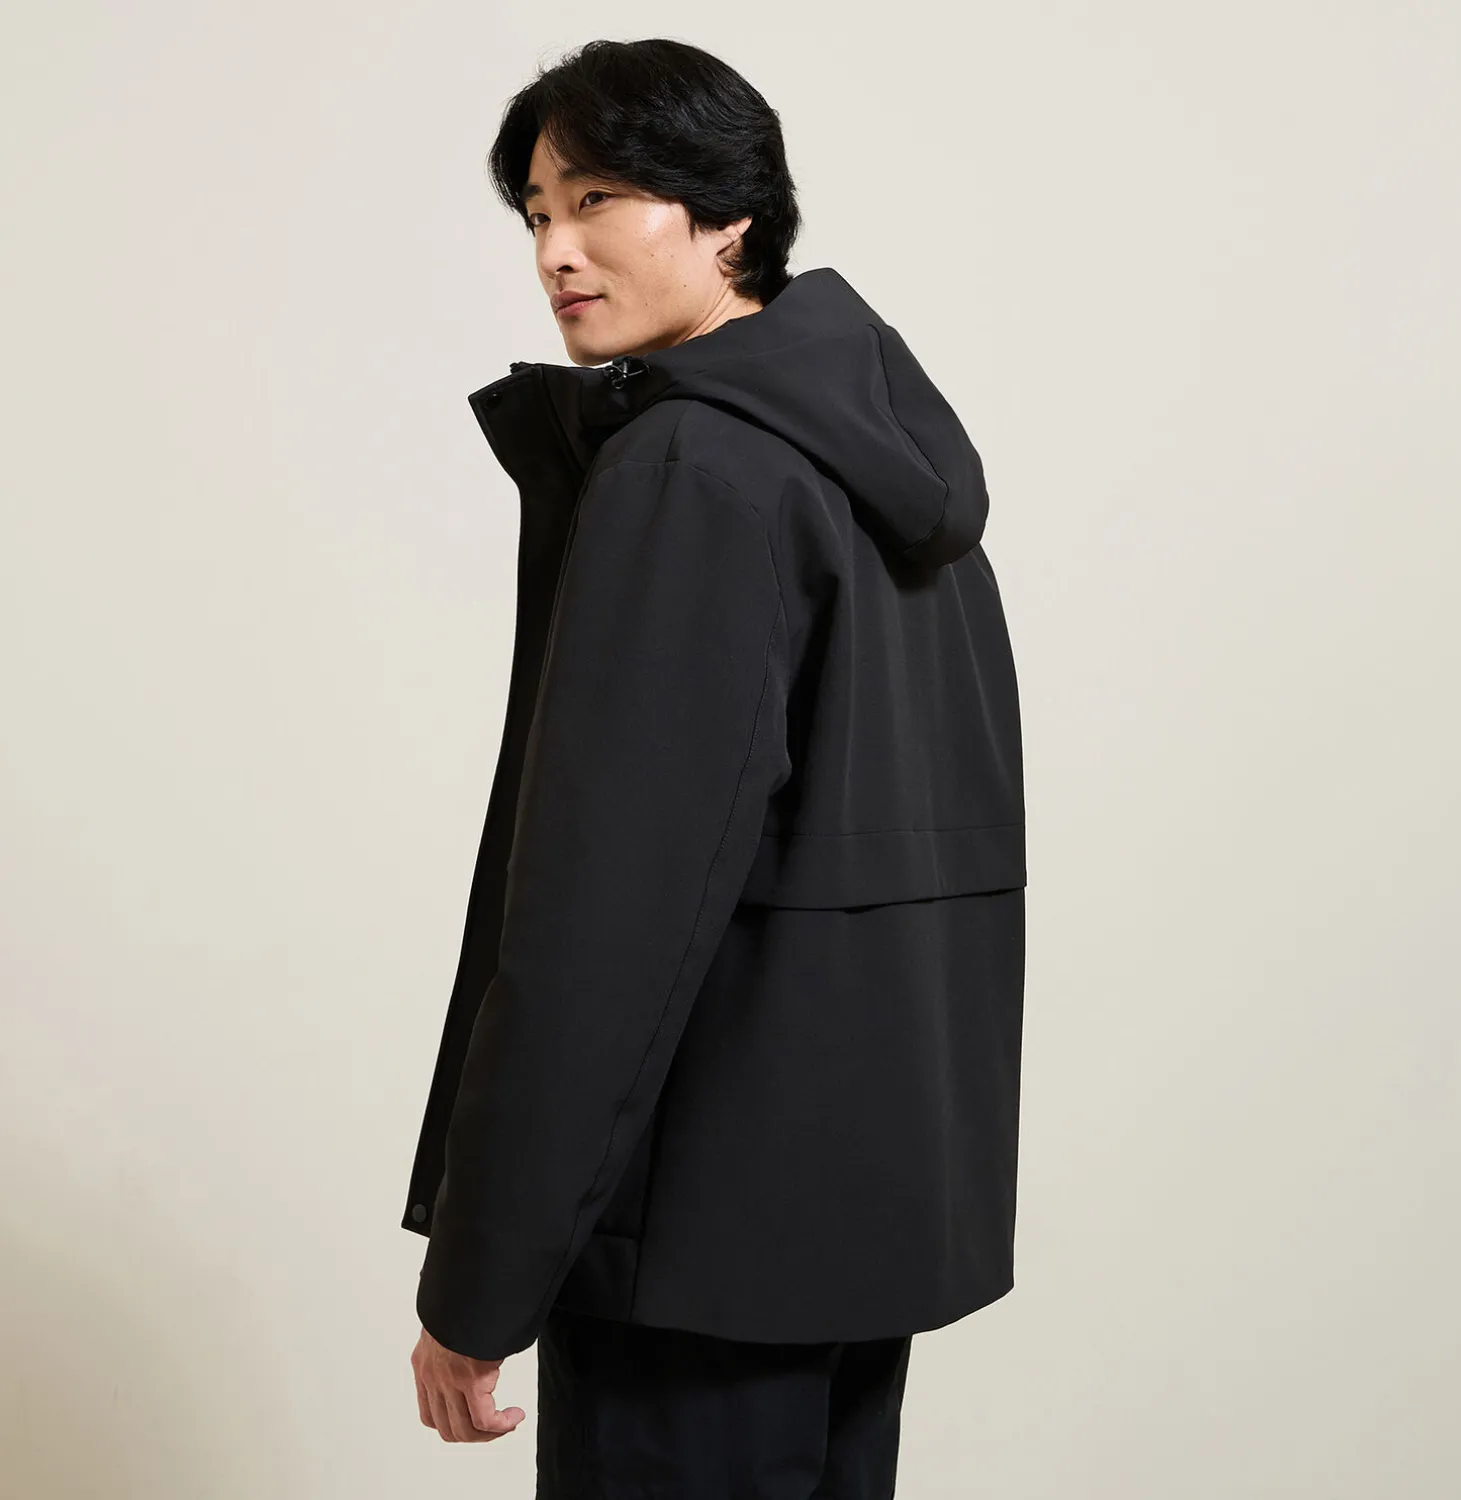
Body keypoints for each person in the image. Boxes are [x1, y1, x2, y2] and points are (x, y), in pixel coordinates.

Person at [402, 37, 1026, 1499]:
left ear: (729, 214)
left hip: (687, 1254)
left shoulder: (692, 471)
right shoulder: (874, 468)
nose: (555, 252)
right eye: (537, 213)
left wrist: (481, 1281)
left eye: (598, 199)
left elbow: (607, 921)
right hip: (852, 1231)